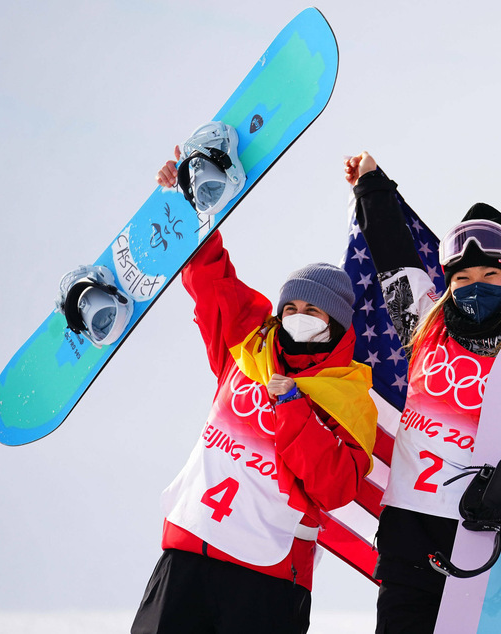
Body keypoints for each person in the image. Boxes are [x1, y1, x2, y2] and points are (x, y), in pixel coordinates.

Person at [344, 152, 501, 634]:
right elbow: (394, 259)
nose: (474, 286)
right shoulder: (424, 328)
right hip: (409, 541)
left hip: (494, 547)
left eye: (489, 277)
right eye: (462, 278)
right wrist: (371, 185)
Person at [131, 151, 377, 634]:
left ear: (337, 325)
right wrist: (184, 204)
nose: (298, 316)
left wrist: (293, 410)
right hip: (189, 550)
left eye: (314, 310)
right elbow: (211, 279)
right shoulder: (248, 345)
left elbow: (334, 487)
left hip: (266, 578)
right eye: (292, 306)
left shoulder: (349, 399)